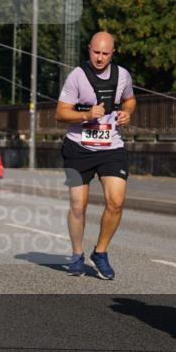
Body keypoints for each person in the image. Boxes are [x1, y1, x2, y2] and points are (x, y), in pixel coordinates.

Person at [55, 32, 136, 280]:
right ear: (89, 49)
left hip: (111, 146)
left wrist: (126, 113)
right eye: (95, 52)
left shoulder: (122, 75)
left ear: (113, 53)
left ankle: (100, 252)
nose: (99, 58)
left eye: (105, 54)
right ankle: (77, 254)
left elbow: (130, 100)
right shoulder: (77, 77)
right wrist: (86, 115)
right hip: (78, 148)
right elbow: (60, 113)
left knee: (116, 202)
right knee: (78, 206)